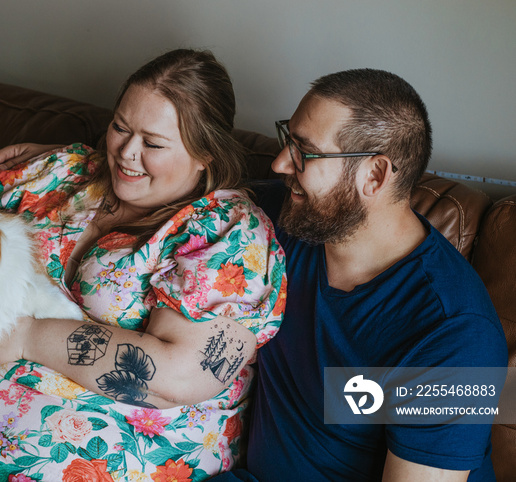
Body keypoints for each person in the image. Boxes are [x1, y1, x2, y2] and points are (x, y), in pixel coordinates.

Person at [0, 49, 286, 481]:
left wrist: (25, 336)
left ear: (205, 153)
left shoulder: (227, 233)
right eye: (121, 127)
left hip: (100, 448)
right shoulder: (63, 171)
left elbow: (180, 375)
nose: (125, 153)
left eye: (153, 143)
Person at [213, 69, 507, 481]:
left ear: (374, 175)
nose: (281, 163)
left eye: (305, 151)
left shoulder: (455, 335)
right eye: (287, 138)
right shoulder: (285, 220)